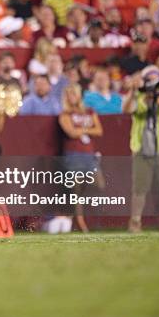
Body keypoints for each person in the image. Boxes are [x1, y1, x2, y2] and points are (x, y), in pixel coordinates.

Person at [123, 66, 159, 232]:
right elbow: (127, 109)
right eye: (149, 79)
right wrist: (134, 93)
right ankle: (135, 223)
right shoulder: (139, 95)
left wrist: (154, 96)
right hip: (142, 146)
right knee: (139, 188)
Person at [58, 84, 103, 232]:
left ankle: (72, 215)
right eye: (69, 94)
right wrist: (87, 129)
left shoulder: (89, 111)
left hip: (89, 154)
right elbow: (71, 132)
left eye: (74, 93)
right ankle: (80, 223)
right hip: (73, 153)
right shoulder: (65, 114)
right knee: (75, 191)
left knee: (98, 184)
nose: (72, 97)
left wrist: (81, 129)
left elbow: (99, 130)